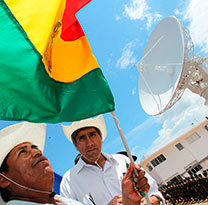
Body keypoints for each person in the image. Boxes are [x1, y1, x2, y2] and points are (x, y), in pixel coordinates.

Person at [0, 122, 150, 205]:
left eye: (35, 148)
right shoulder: (69, 180)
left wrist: (130, 201)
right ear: (3, 179)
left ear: (101, 137)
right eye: (22, 152)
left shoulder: (62, 201)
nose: (38, 152)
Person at [61, 115, 165, 205]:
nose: (89, 143)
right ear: (76, 146)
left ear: (101, 138)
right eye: (82, 138)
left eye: (92, 135)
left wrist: (153, 200)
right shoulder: (69, 181)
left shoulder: (123, 161)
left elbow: (154, 191)